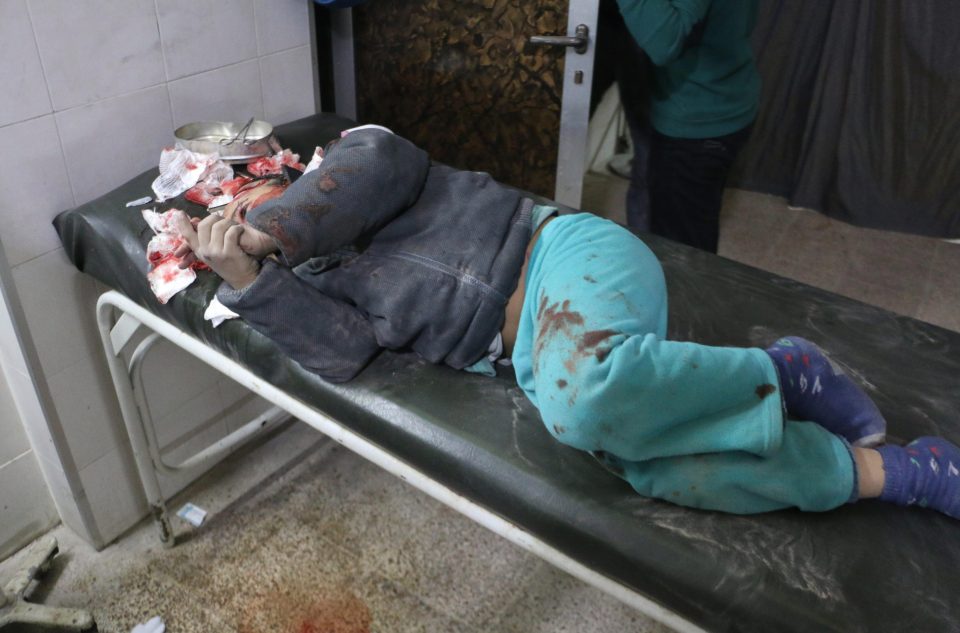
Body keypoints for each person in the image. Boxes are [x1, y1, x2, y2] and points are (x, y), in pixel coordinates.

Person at [175, 127, 960, 520]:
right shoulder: (298, 280)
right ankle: (883, 475)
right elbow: (345, 354)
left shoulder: (353, 165)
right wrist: (252, 280)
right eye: (231, 217)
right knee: (648, 463)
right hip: (532, 353)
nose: (239, 218)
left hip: (564, 256)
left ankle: (784, 376)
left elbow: (378, 159)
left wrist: (276, 228)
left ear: (277, 177)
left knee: (584, 400)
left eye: (249, 199)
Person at [613, 0, 761, 252]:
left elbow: (664, 43)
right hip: (713, 98)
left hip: (700, 120)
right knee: (682, 228)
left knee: (682, 254)